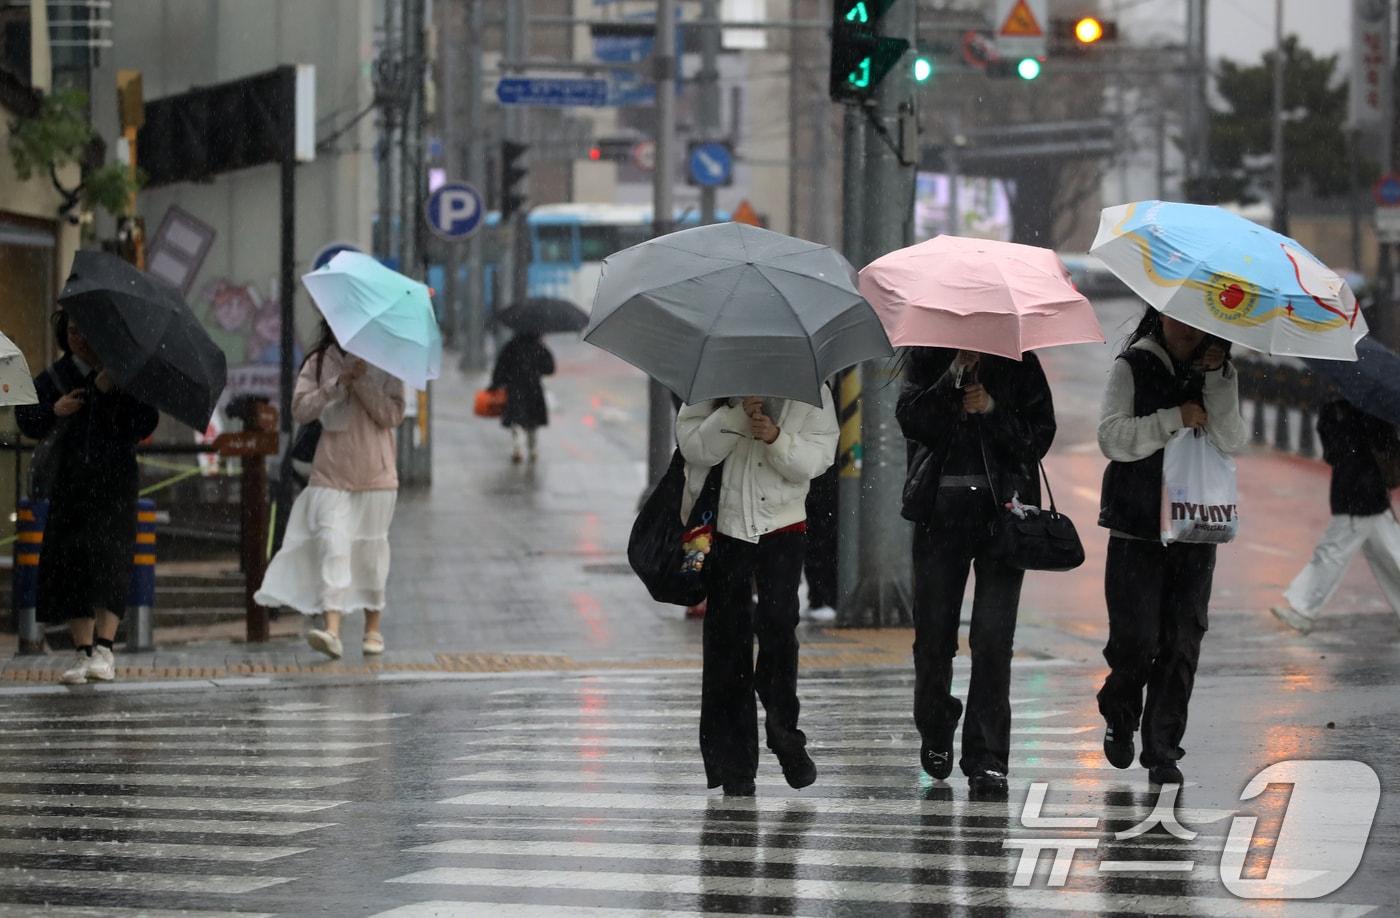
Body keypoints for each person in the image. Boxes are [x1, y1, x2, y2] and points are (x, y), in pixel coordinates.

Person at [1096, 309, 1247, 787]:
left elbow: (1232, 440)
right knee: (1136, 643)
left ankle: (1162, 748)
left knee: (1183, 641)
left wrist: (1218, 383)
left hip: (1194, 528)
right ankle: (1120, 713)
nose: (1187, 327)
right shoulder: (1133, 366)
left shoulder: (1218, 372)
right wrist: (1171, 419)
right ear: (1158, 316)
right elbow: (1111, 437)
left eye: (1196, 319)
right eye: (1176, 317)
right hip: (1136, 529)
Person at [897, 347, 1056, 797]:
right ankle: (935, 722)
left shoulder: (1019, 361)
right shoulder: (928, 357)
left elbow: (1037, 438)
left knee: (991, 639)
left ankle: (986, 757)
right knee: (932, 636)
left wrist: (992, 409)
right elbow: (911, 420)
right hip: (938, 516)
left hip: (1004, 518)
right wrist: (951, 380)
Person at [676, 390, 839, 796]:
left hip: (783, 527)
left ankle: (785, 736)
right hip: (726, 529)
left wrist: (775, 436)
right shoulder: (715, 383)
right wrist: (733, 414)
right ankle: (734, 765)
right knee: (727, 642)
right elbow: (693, 447)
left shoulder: (811, 388)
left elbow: (818, 459)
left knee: (780, 632)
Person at [16, 310, 159, 684]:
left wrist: (113, 391)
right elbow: (27, 420)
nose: (79, 337)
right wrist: (55, 410)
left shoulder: (123, 373)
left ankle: (106, 649)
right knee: (72, 563)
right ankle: (82, 652)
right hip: (71, 482)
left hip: (114, 482)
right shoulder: (57, 377)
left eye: (86, 329)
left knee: (110, 559)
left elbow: (145, 423)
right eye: (73, 330)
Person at [255, 321, 405, 659]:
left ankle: (372, 628)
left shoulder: (388, 361)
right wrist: (338, 384)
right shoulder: (319, 362)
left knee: (370, 554)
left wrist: (363, 380)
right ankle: (332, 628)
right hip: (330, 473)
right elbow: (300, 409)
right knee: (331, 546)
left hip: (376, 475)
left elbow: (391, 415)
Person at [1273, 400, 1400, 633]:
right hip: (1363, 493)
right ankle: (1302, 610)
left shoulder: (1342, 406)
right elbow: (1385, 445)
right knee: (1391, 555)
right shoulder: (1365, 408)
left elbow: (1334, 451)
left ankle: (1303, 610)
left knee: (1332, 553)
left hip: (1358, 495)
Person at [489, 331, 555, 464]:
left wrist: (496, 384)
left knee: (516, 419)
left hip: (515, 388)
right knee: (533, 421)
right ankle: (532, 449)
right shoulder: (539, 347)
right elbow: (550, 368)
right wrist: (536, 369)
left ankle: (517, 448)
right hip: (533, 388)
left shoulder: (511, 346)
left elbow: (501, 367)